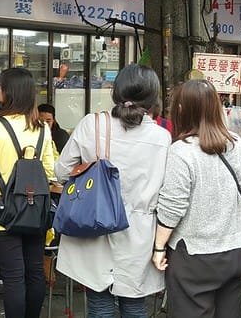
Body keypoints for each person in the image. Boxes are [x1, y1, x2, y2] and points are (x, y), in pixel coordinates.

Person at [55, 64, 171, 317]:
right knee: (134, 303)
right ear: (153, 97)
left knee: (99, 301)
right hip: (139, 232)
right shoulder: (163, 138)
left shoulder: (91, 125)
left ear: (115, 92)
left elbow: (62, 172)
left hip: (94, 225)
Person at [153, 79, 241, 318]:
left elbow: (172, 208)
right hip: (236, 250)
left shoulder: (181, 151)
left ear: (182, 110)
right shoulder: (238, 144)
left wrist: (159, 248)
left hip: (193, 256)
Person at [0, 67, 54, 318]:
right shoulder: (42, 127)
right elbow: (50, 172)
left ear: (9, 92)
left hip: (2, 211)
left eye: (0, 86)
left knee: (13, 276)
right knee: (34, 271)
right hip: (35, 211)